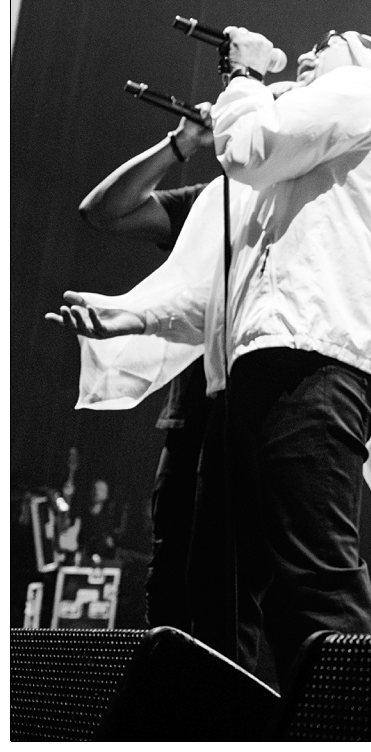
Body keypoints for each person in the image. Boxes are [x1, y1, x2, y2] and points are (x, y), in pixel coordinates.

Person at [47, 25, 371, 686]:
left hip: (312, 370)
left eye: (330, 41)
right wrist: (131, 313)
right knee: (215, 600)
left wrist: (247, 80)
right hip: (250, 378)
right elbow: (224, 297)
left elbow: (251, 146)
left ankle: (351, 723)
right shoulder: (293, 189)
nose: (307, 52)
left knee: (315, 591)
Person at [76, 105, 215, 631]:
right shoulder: (214, 204)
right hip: (193, 423)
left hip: (265, 422)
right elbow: (102, 212)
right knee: (173, 588)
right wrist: (179, 144)